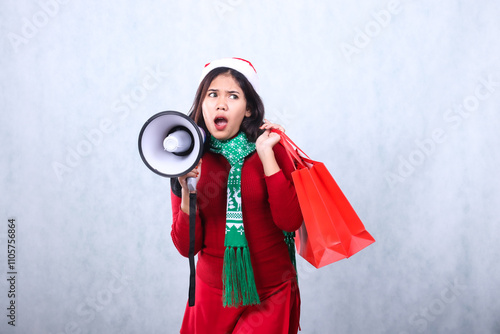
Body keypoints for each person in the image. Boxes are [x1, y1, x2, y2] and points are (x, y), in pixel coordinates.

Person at [170, 57, 303, 334]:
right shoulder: (187, 159)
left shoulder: (271, 146)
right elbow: (187, 248)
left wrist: (267, 156)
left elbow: (290, 221)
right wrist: (187, 192)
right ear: (202, 104)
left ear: (249, 109)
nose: (221, 103)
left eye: (233, 95)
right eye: (212, 94)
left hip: (271, 290)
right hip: (213, 294)